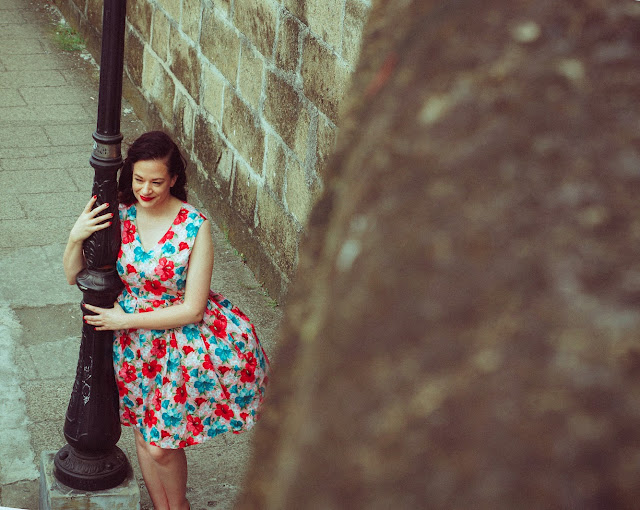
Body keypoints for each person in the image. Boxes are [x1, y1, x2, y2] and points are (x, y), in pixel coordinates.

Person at [63, 131, 270, 510]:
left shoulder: (195, 225)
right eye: (138, 179)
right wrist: (76, 237)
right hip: (134, 349)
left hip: (176, 344)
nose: (145, 189)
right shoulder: (119, 215)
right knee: (145, 436)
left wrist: (125, 320)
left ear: (174, 178)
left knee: (161, 445)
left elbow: (193, 308)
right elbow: (72, 274)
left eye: (156, 182)